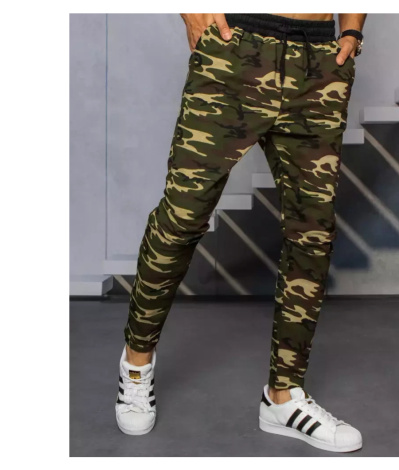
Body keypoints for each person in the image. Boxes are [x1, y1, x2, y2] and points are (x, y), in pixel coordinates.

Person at [115, 13, 367, 453]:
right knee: (182, 218)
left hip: (318, 62)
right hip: (235, 49)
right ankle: (136, 366)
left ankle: (283, 398)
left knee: (312, 235)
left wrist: (352, 30)